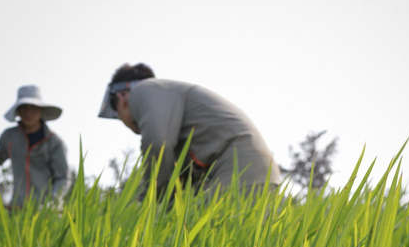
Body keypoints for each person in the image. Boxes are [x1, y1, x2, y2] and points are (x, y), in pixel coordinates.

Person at [98, 63, 280, 196]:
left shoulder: (143, 89)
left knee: (197, 236)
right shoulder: (173, 112)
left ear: (122, 98)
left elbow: (157, 145)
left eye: (118, 114)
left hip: (239, 169)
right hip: (257, 171)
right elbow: (181, 175)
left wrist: (155, 198)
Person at [0, 85, 68, 207]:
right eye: (24, 108)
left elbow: (62, 178)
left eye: (33, 108)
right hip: (17, 207)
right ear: (18, 111)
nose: (28, 113)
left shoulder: (54, 142)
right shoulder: (9, 137)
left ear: (41, 110)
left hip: (46, 210)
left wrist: (52, 201)